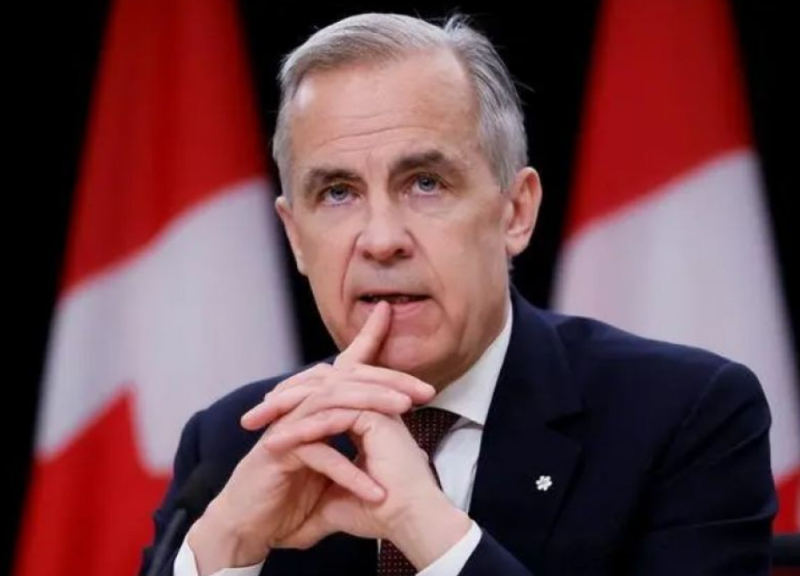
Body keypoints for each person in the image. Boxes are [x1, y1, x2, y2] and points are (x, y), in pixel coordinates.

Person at [140, 12, 777, 576]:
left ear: (515, 211)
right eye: (337, 193)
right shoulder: (231, 444)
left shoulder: (684, 417)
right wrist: (225, 548)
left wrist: (427, 529)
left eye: (425, 183)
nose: (381, 240)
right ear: (296, 238)